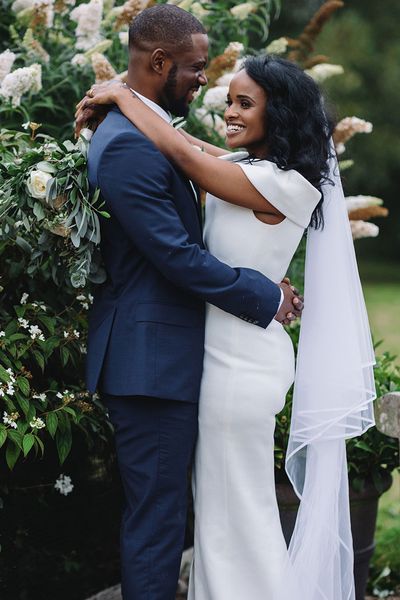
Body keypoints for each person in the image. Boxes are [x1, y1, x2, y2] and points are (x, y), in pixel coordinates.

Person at [77, 45, 376, 600]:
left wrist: (121, 93)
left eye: (245, 103)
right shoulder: (254, 169)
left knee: (239, 513)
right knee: (219, 516)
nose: (230, 113)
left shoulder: (286, 183)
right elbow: (191, 143)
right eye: (229, 102)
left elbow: (185, 156)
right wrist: (130, 98)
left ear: (277, 114)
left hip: (240, 366)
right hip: (221, 355)